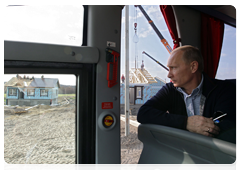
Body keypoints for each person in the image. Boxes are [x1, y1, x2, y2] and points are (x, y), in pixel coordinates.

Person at [137, 45, 238, 143]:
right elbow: (143, 113)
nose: (169, 75)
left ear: (193, 67)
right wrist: (186, 123)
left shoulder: (224, 89)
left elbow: (229, 131)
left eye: (174, 68)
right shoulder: (170, 90)